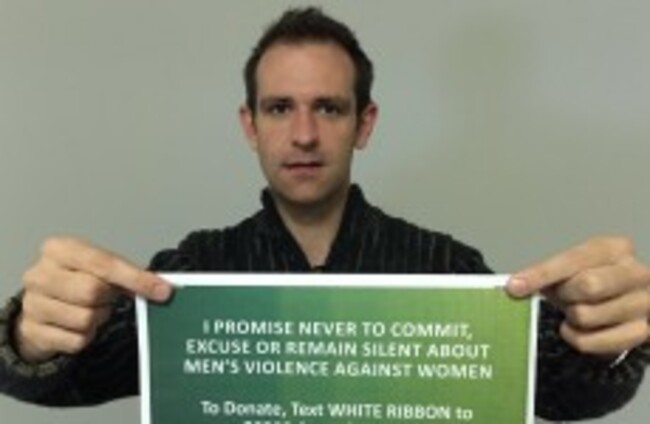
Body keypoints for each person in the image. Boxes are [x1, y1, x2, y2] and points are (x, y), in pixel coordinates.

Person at [0, 6, 648, 421]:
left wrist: (608, 336)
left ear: (363, 124)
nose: (304, 134)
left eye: (329, 108)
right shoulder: (189, 273)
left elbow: (563, 388)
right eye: (280, 108)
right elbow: (55, 380)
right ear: (250, 125)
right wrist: (30, 335)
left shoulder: (448, 269)